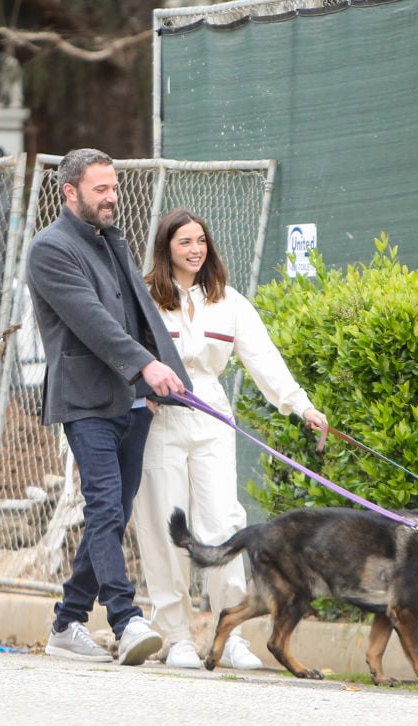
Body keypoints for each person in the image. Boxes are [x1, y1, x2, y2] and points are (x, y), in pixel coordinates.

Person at [132, 208, 327, 671]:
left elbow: (263, 358)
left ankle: (230, 633)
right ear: (166, 249)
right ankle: (175, 636)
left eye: (201, 240)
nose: (195, 249)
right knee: (163, 524)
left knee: (223, 525)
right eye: (185, 242)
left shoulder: (229, 301)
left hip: (213, 420)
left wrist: (301, 406)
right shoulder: (144, 298)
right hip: (161, 424)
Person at [26, 149, 192, 665]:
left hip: (132, 399)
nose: (112, 197)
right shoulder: (49, 249)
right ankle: (125, 618)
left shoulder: (110, 241)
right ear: (70, 192)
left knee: (114, 511)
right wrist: (145, 366)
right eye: (101, 189)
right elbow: (92, 319)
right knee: (103, 503)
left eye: (114, 187)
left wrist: (165, 381)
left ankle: (67, 623)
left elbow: (137, 313)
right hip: (85, 400)